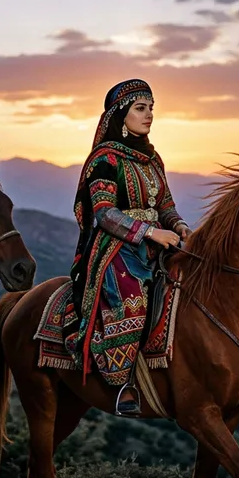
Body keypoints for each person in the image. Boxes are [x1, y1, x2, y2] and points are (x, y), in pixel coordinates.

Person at [63, 79, 191, 415]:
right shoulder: (104, 159)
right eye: (141, 108)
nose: (149, 115)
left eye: (151, 108)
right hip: (116, 247)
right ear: (122, 115)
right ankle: (122, 383)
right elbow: (104, 214)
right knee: (133, 297)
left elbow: (166, 203)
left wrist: (179, 225)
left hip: (158, 239)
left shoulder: (152, 159)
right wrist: (150, 232)